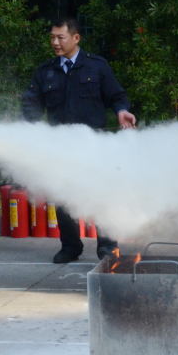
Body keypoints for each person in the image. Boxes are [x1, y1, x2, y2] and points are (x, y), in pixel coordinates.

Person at [21, 17, 137, 264]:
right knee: (63, 197)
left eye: (60, 37)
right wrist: (36, 128)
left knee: (102, 195)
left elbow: (117, 96)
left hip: (95, 145)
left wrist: (121, 112)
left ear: (76, 38)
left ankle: (107, 247)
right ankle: (71, 246)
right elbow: (30, 102)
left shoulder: (97, 66)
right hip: (60, 147)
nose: (55, 42)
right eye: (52, 37)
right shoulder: (46, 71)